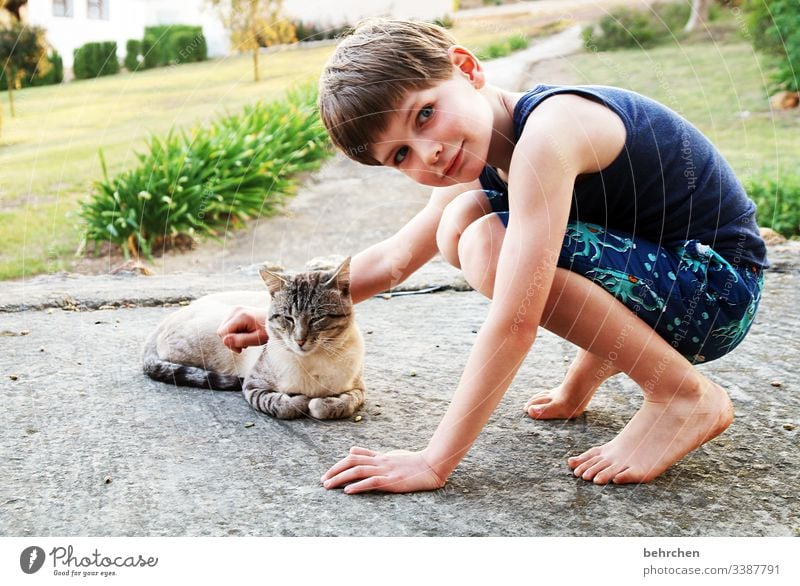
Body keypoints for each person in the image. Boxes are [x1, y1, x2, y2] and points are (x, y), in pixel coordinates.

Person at [217, 19, 767, 492]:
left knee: (485, 243)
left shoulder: (549, 133)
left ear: (466, 67)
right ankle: (600, 365)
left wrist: (435, 459)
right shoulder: (476, 153)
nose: (427, 151)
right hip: (668, 281)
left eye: (426, 114)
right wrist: (275, 316)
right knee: (459, 221)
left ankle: (681, 395)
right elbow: (392, 260)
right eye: (401, 154)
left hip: (714, 291)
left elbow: (516, 319)